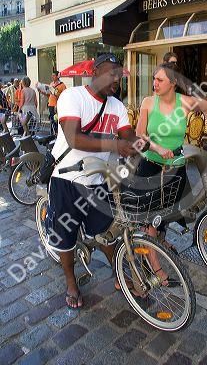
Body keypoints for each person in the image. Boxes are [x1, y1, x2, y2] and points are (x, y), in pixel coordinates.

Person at [46, 53, 145, 309]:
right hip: (68, 178)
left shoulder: (117, 106)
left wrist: (146, 144)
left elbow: (128, 137)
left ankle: (121, 275)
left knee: (106, 234)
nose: (117, 80)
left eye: (120, 76)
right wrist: (116, 144)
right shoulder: (72, 96)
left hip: (99, 181)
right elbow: (73, 138)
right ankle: (70, 281)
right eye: (112, 73)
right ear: (95, 72)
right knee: (65, 238)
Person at [136, 62, 207, 261]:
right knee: (151, 221)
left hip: (176, 168)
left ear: (173, 83)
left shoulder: (185, 102)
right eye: (154, 79)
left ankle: (161, 241)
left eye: (159, 80)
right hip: (151, 168)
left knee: (169, 213)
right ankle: (154, 268)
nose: (154, 83)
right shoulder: (148, 102)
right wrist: (157, 147)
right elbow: (139, 134)